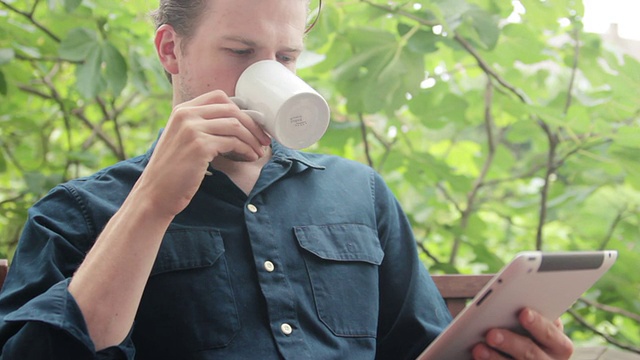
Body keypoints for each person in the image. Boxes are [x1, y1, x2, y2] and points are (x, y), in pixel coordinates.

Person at [0, 0, 575, 359]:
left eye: (287, 56)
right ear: (171, 50)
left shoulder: (361, 193)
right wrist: (152, 202)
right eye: (241, 50)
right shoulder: (80, 211)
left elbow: (418, 347)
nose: (270, 73)